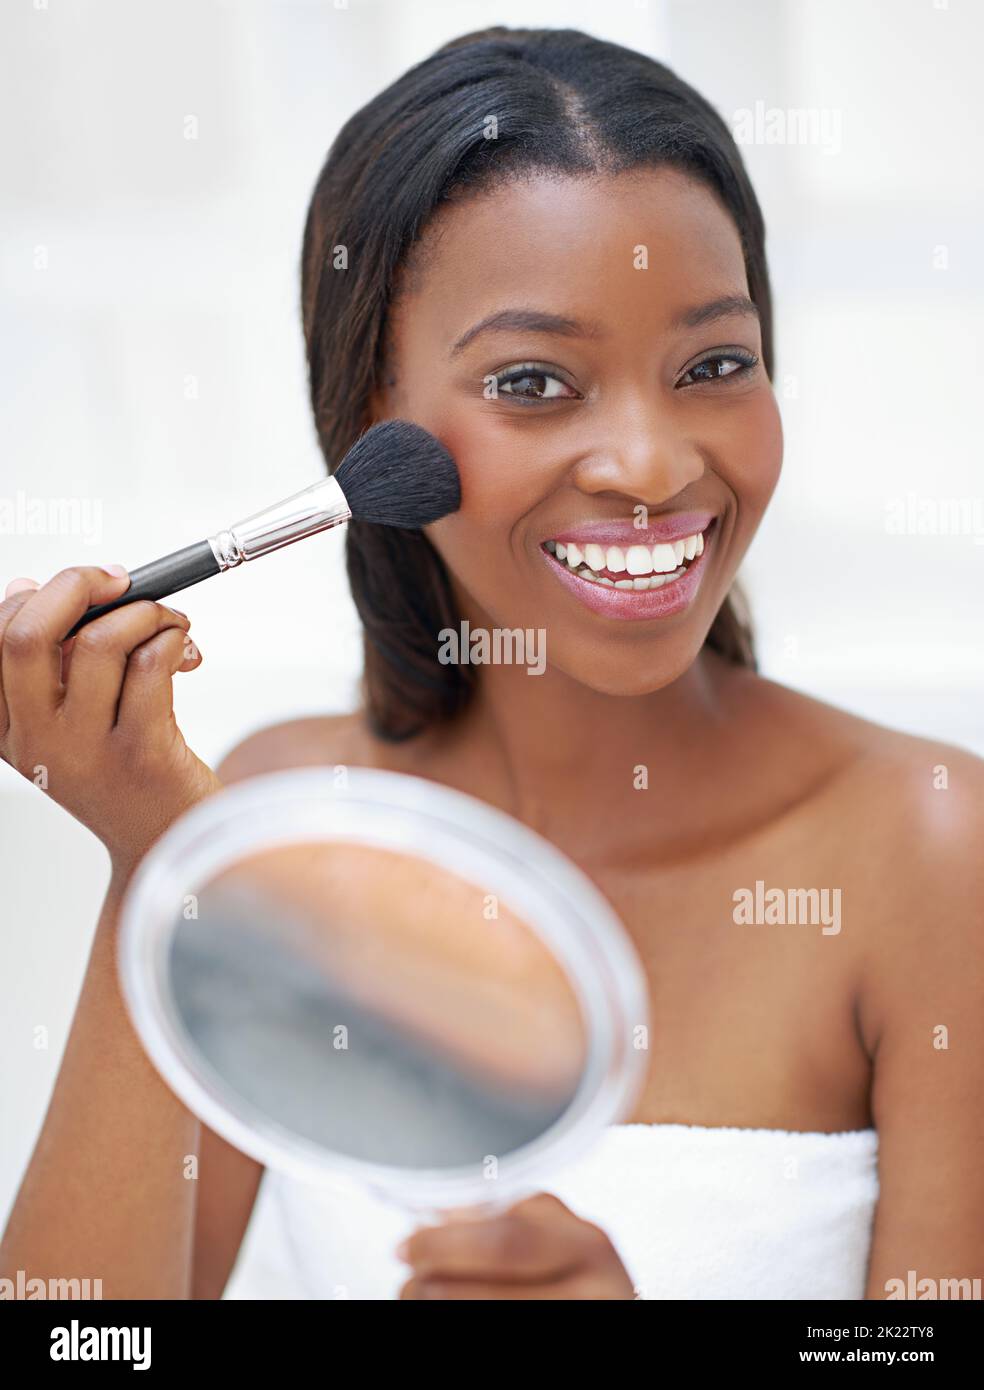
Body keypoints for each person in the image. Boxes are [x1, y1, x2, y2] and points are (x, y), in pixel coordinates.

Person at [2, 25, 982, 1301]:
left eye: (716, 364)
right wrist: (157, 859)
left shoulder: (929, 849)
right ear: (370, 431)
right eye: (533, 380)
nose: (651, 464)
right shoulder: (273, 825)